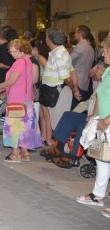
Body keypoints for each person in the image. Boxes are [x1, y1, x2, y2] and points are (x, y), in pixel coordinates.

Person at [0, 39, 41, 162]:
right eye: (11, 51)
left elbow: (12, 81)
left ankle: (15, 153)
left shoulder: (19, 63)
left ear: (22, 50)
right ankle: (25, 152)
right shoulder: (28, 61)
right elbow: (22, 81)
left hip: (16, 100)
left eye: (15, 51)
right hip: (26, 100)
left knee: (14, 127)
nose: (13, 54)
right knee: (24, 127)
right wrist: (1, 90)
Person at [75, 38, 110, 219]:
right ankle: (98, 195)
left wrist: (107, 120)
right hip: (102, 123)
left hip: (108, 122)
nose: (103, 54)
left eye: (105, 50)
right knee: (101, 159)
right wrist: (96, 117)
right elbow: (99, 95)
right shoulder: (108, 71)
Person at [34, 28, 79, 147]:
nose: (46, 39)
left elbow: (66, 76)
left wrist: (72, 88)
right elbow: (71, 71)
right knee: (44, 114)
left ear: (50, 40)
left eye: (47, 37)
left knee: (49, 117)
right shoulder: (58, 52)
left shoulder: (59, 54)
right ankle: (44, 138)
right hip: (48, 87)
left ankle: (49, 140)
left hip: (53, 89)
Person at [70, 25, 95, 107]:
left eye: (76, 32)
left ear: (80, 34)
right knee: (80, 108)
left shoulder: (80, 46)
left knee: (74, 109)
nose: (74, 34)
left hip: (77, 82)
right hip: (85, 82)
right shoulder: (90, 48)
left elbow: (68, 61)